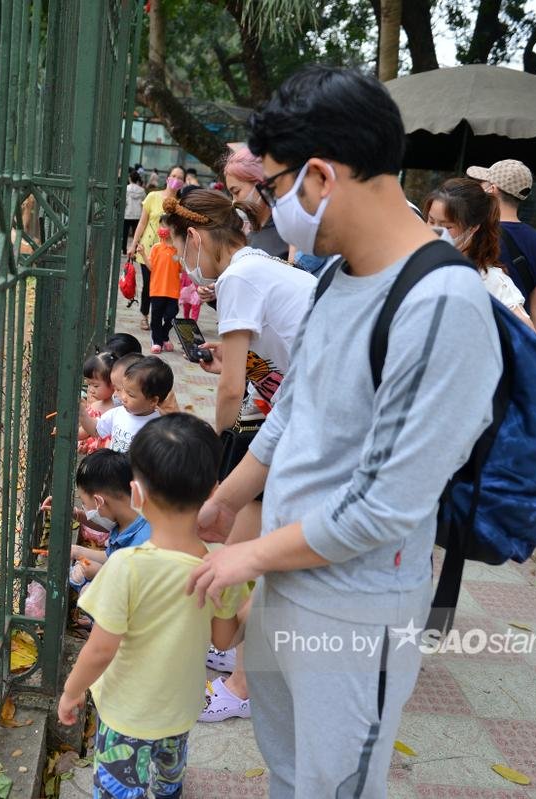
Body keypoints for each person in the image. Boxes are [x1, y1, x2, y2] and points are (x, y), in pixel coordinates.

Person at [187, 66, 502, 798]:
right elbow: (295, 412)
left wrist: (250, 554)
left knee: (339, 783)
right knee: (291, 769)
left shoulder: (442, 304)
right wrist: (225, 502)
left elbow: (388, 506)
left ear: (322, 175)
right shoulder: (334, 276)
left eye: (271, 185)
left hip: (356, 610)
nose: (265, 203)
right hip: (288, 578)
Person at [161, 188, 315, 722]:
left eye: (182, 246)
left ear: (196, 238)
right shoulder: (258, 268)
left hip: (322, 425)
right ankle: (232, 646)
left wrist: (214, 448)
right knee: (239, 538)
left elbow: (230, 393)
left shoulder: (239, 279)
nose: (186, 258)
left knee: (275, 558)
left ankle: (244, 684)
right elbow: (255, 367)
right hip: (301, 415)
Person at [58, 413, 244, 799]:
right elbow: (224, 641)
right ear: (212, 489)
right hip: (180, 708)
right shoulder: (222, 564)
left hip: (127, 713)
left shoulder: (126, 566)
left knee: (118, 789)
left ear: (136, 493)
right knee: (168, 775)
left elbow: (101, 648)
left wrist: (72, 691)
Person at [425, 177, 536, 331]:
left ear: (473, 228)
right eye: (431, 221)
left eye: (447, 226)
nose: (434, 230)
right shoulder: (419, 261)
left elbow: (527, 335)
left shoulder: (489, 280)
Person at [466, 159, 536, 336]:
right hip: (517, 336)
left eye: (483, 184)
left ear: (493, 189)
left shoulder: (475, 233)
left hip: (478, 330)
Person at [65, 448, 153, 590]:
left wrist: (100, 574)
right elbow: (111, 557)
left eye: (85, 503)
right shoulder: (126, 522)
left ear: (99, 502)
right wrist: (77, 551)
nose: (85, 509)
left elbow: (136, 591)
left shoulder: (143, 544)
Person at [130, 165, 186, 331]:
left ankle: (161, 317)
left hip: (170, 253)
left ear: (183, 182)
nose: (176, 179)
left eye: (180, 177)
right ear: (168, 177)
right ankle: (145, 316)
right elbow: (142, 222)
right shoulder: (153, 196)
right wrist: (133, 244)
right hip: (148, 249)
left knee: (166, 285)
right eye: (174, 175)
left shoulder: (181, 204)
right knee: (149, 284)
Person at [79, 355, 172, 452]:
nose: (123, 397)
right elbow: (95, 429)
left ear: (153, 401)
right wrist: (82, 413)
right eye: (123, 390)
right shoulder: (117, 413)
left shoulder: (159, 427)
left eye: (130, 394)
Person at [221, 146, 289, 260]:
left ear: (261, 182)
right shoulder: (245, 234)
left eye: (236, 191)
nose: (234, 201)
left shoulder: (289, 230)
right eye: (231, 194)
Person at [147, 226, 181, 352]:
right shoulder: (156, 248)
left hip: (172, 290)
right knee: (156, 316)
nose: (164, 229)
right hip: (157, 289)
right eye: (162, 225)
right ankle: (157, 341)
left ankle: (163, 335)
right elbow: (150, 267)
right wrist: (143, 253)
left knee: (171, 315)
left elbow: (181, 268)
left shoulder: (178, 249)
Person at [78, 352, 117, 454]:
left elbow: (83, 432)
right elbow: (85, 432)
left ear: (113, 384)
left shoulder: (119, 410)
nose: (90, 389)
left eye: (95, 386)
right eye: (88, 384)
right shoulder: (94, 406)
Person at [123, 171, 145, 256]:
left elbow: (124, 201)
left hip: (127, 213)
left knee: (125, 233)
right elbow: (144, 202)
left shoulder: (126, 188)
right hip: (137, 214)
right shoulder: (142, 190)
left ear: (130, 178)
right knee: (136, 234)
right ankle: (135, 250)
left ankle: (124, 249)